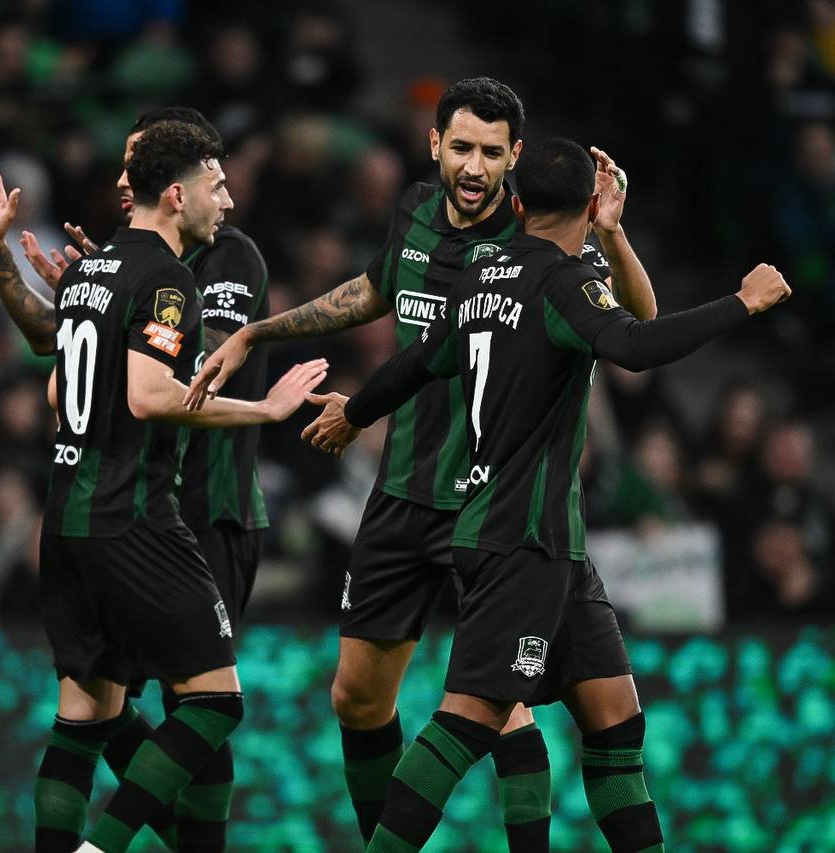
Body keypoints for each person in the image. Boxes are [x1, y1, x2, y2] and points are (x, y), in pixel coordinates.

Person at [186, 76, 657, 848]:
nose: (474, 166)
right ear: (435, 144)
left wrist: (612, 233)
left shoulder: (543, 237)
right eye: (462, 147)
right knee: (357, 698)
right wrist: (258, 332)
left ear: (515, 157)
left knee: (501, 707)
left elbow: (637, 321)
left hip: (491, 503)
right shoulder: (412, 211)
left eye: (492, 153)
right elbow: (374, 291)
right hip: (403, 492)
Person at [306, 137, 790, 852]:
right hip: (520, 539)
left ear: (516, 202)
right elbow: (636, 346)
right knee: (467, 719)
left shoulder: (481, 276)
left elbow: (414, 363)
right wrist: (742, 302)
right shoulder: (563, 284)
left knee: (615, 720)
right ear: (590, 204)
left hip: (545, 539)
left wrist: (355, 412)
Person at [0, 119, 325, 853]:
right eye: (216, 185)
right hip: (136, 516)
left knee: (84, 717)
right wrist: (266, 409)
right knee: (214, 703)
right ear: (178, 194)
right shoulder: (169, 278)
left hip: (67, 516)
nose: (227, 199)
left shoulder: (91, 272)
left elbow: (60, 389)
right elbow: (150, 395)